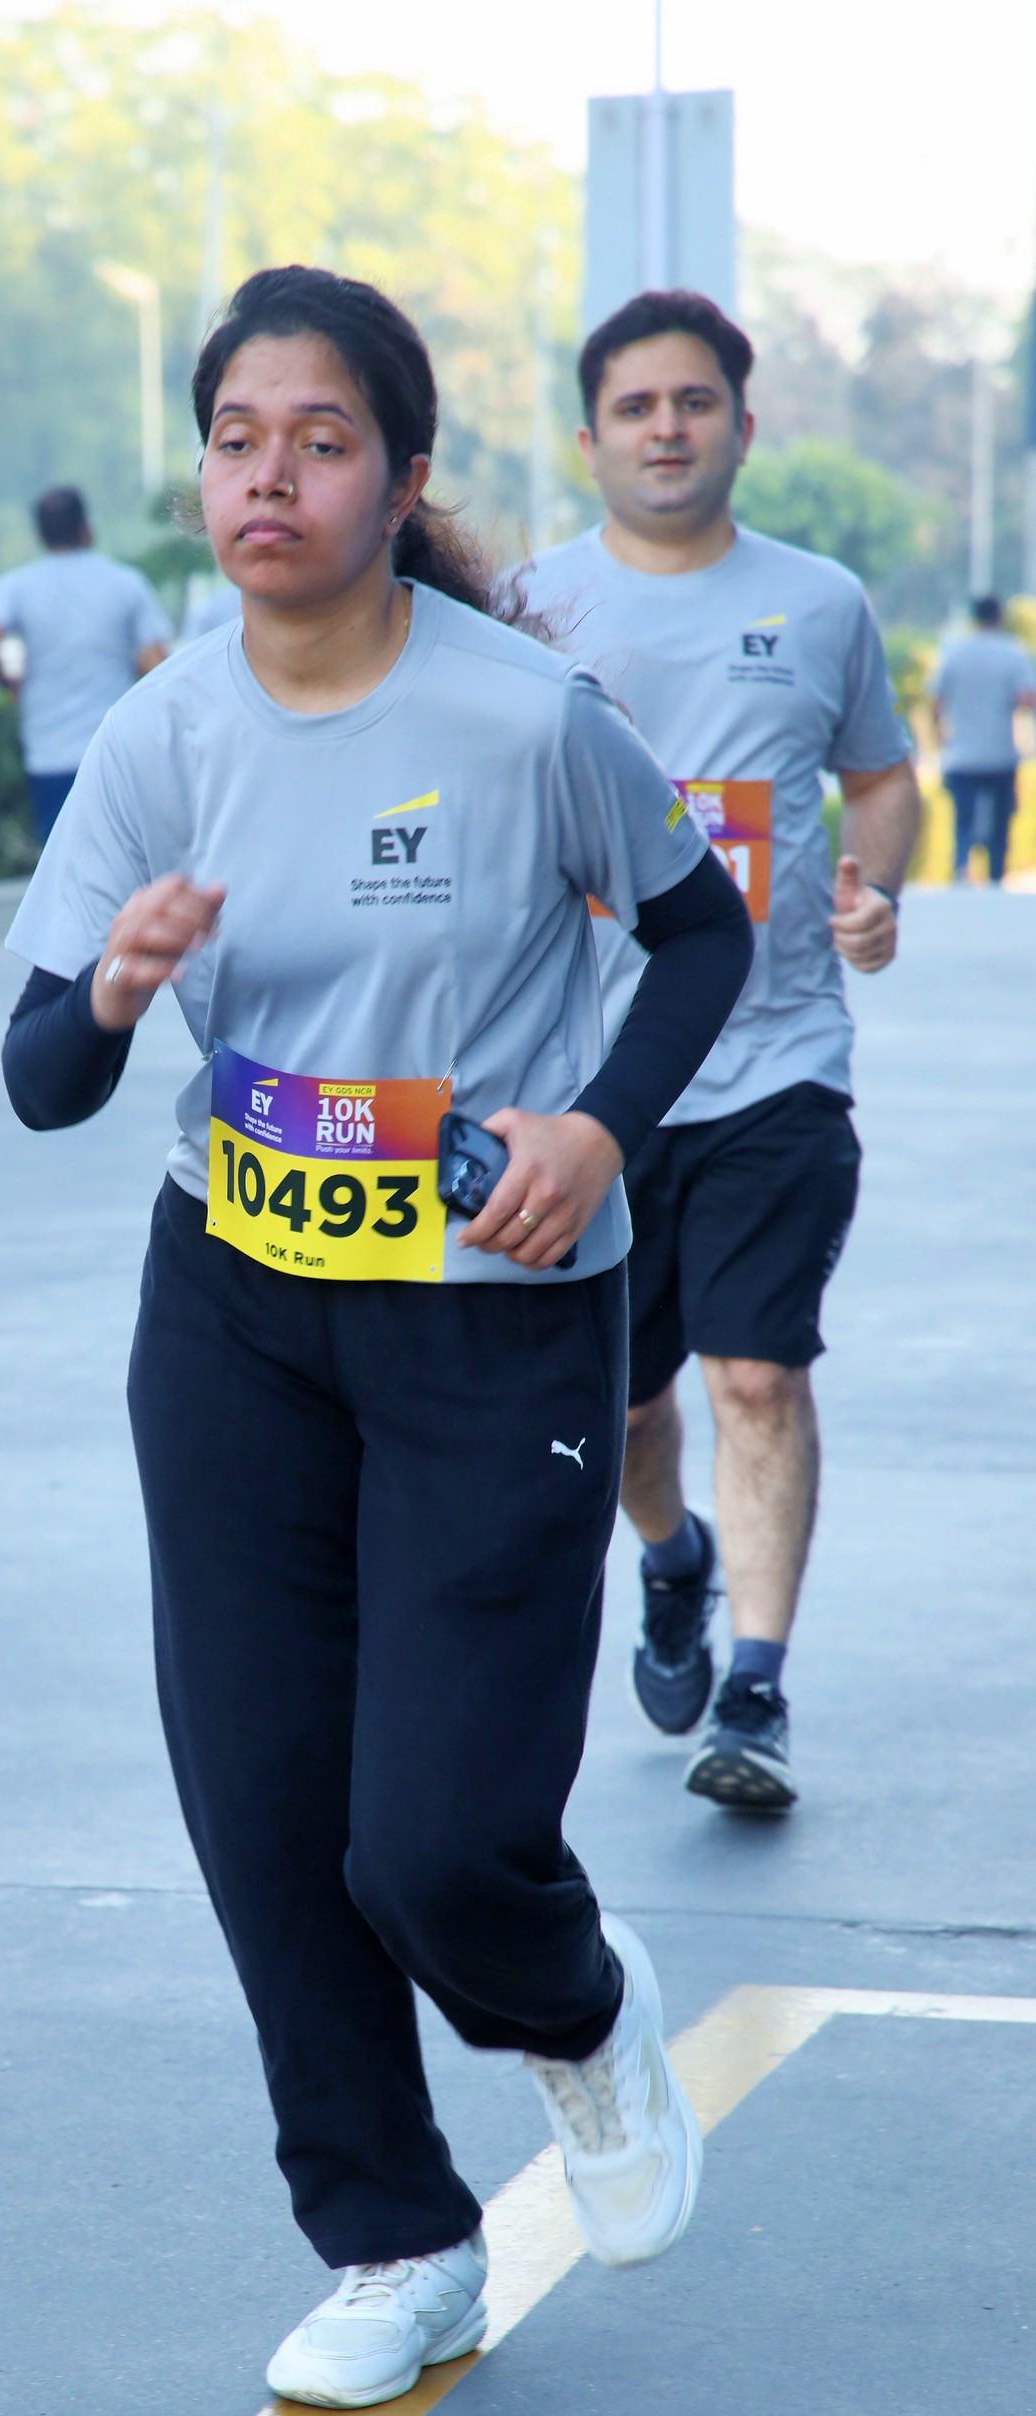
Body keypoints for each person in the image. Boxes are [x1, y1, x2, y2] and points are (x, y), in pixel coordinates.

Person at [2, 266, 753, 2408]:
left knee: (426, 1839)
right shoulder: (160, 733)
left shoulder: (522, 717)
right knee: (262, 1813)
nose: (272, 476)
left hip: (491, 1314)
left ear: (401, 475)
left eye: (321, 440)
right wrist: (116, 986)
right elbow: (42, 1074)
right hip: (233, 1310)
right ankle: (396, 2239)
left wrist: (599, 1129)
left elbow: (698, 933)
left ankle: (577, 2011)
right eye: (237, 438)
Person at [518, 290, 920, 1813]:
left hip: (778, 1061)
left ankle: (754, 1687)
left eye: (695, 402)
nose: (667, 429)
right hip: (593, 1089)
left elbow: (878, 777)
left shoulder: (819, 603)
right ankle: (672, 1553)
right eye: (636, 406)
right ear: (589, 440)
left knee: (756, 1372)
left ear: (744, 426)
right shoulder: (528, 608)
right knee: (627, 1411)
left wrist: (874, 891)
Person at [0, 487, 170, 843]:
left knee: (60, 860)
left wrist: (7, 682)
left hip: (48, 751)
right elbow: (157, 663)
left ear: (39, 534)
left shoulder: (16, 585)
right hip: (116, 750)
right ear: (87, 527)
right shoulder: (126, 582)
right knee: (127, 857)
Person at [929, 595, 1034, 885]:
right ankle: (996, 874)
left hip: (961, 753)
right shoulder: (1012, 653)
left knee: (962, 819)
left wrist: (941, 736)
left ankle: (962, 866)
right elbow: (1027, 698)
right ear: (999, 618)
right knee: (1001, 822)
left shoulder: (952, 652)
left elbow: (936, 700)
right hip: (1000, 752)